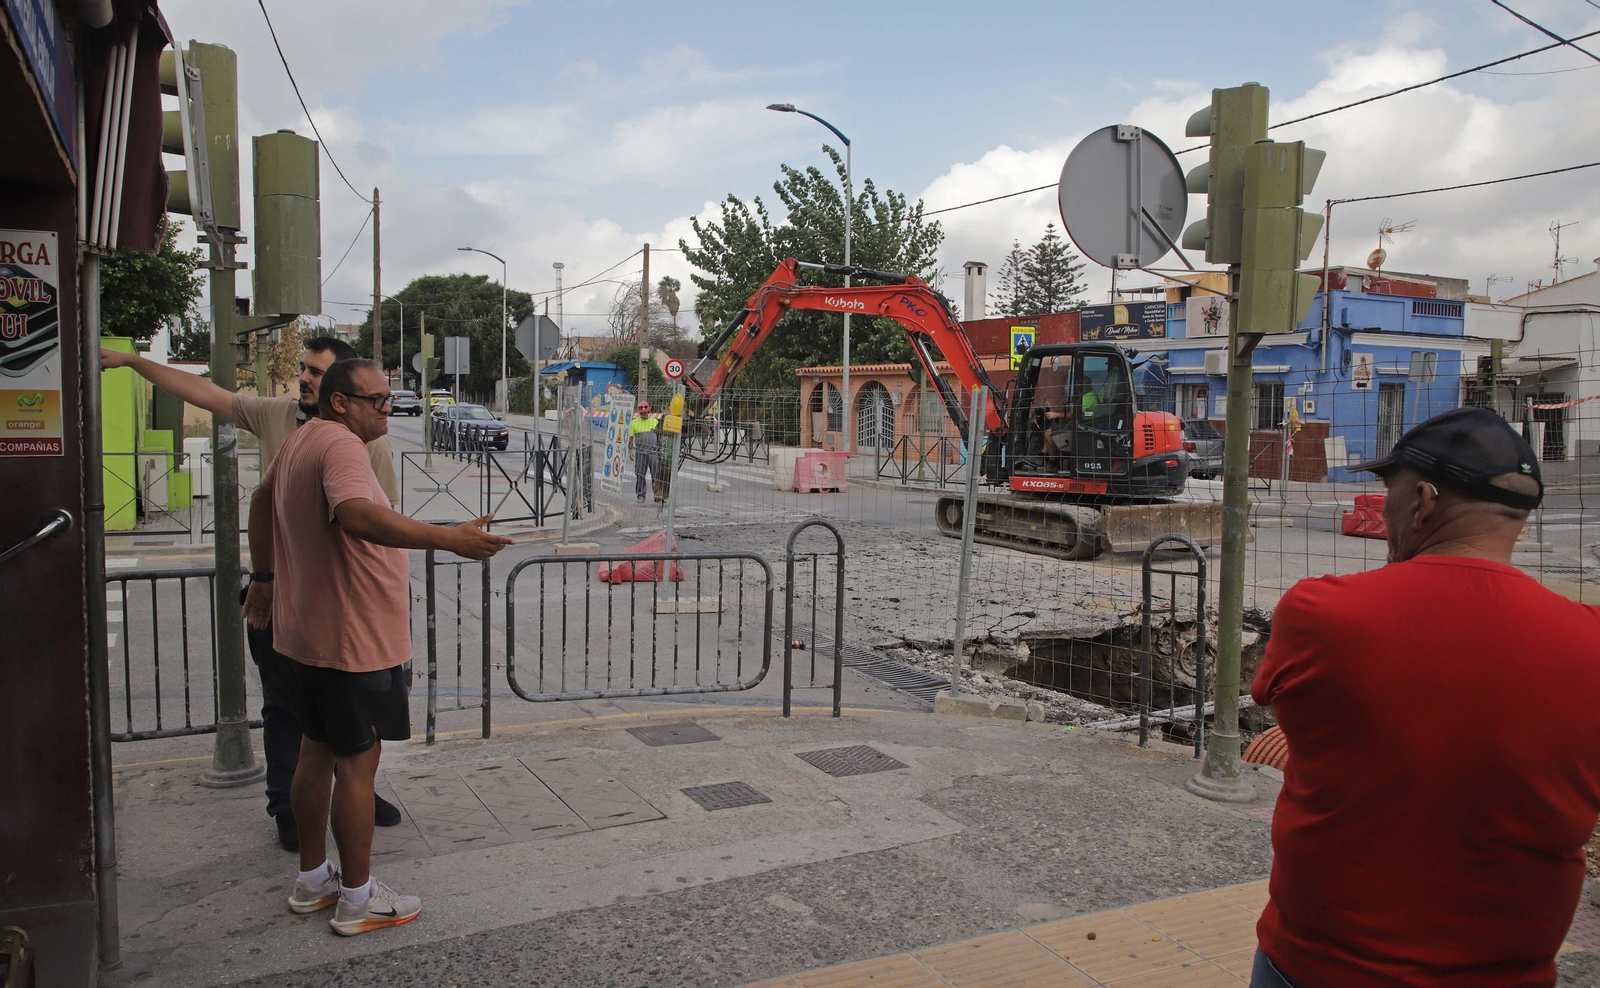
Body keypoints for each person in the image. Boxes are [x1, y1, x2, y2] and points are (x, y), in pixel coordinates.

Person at [1249, 407, 1600, 988]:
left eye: (1390, 492)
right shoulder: (1590, 640)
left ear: (1424, 501)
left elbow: (1286, 707)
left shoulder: (1323, 614)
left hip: (1322, 968)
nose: (1383, 511)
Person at [101, 337, 404, 850]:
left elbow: (381, 521)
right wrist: (134, 361)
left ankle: (352, 798)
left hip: (341, 606)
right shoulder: (277, 417)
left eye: (316, 372)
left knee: (345, 721)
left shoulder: (366, 440)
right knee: (290, 713)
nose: (305, 378)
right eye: (304, 369)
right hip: (287, 598)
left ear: (338, 392)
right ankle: (289, 808)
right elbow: (204, 393)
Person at [247, 358, 511, 936]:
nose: (388, 410)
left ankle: (313, 878)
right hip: (351, 640)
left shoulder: (300, 441)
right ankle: (358, 900)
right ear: (340, 402)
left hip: (308, 636)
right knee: (358, 763)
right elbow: (356, 516)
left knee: (315, 752)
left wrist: (266, 581)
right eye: (377, 401)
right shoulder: (341, 447)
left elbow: (261, 503)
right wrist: (450, 540)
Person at [628, 401, 660, 502]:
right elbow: (631, 439)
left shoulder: (655, 422)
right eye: (641, 413)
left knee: (656, 474)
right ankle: (641, 495)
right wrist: (630, 451)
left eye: (645, 412)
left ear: (648, 411)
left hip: (653, 453)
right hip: (640, 453)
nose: (643, 414)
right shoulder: (634, 423)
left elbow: (660, 437)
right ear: (639, 412)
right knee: (640, 474)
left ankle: (658, 494)